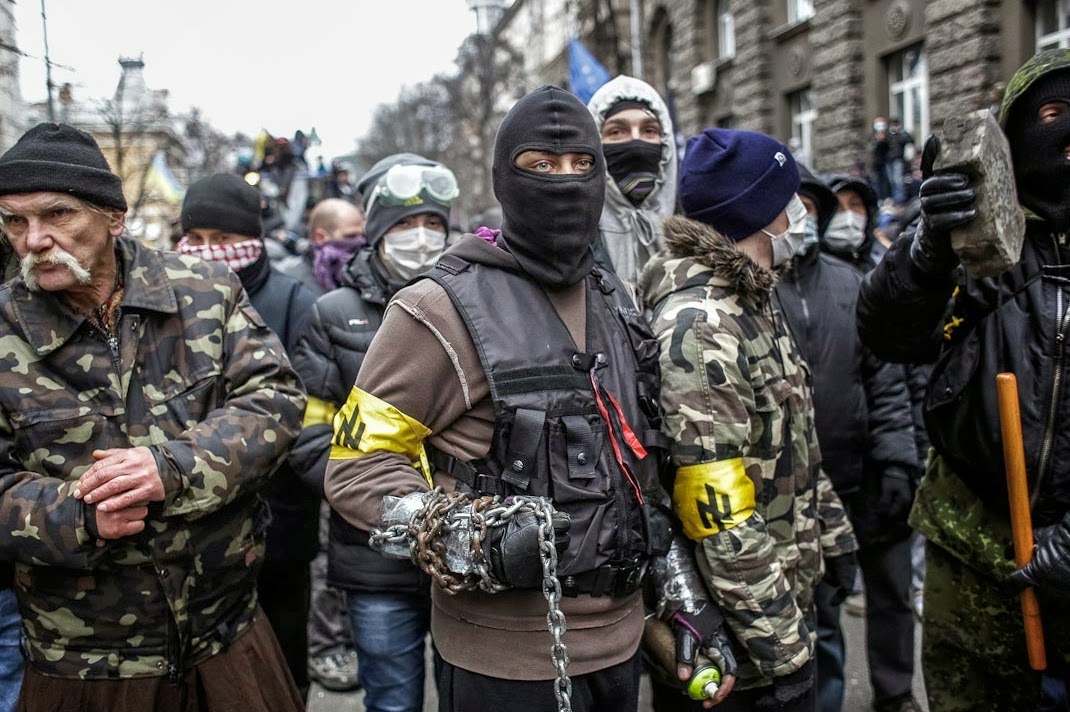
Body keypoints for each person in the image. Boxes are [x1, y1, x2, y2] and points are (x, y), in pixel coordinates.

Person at [324, 86, 698, 711]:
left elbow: (640, 469)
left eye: (581, 164)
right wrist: (473, 538)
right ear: (504, 179)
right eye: (540, 165)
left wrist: (683, 597)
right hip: (501, 661)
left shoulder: (617, 299)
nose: (564, 181)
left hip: (623, 647)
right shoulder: (436, 309)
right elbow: (356, 469)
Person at [0, 122, 306, 711]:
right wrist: (78, 516)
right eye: (14, 220)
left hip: (225, 634)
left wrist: (174, 468)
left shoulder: (205, 291)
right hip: (84, 662)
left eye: (57, 214)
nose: (33, 240)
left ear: (113, 217)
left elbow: (275, 398)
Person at [857, 48, 1070, 710]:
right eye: (1053, 114)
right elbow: (888, 336)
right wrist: (925, 253)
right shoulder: (982, 241)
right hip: (970, 545)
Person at [640, 128, 858, 711]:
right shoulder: (702, 329)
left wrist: (835, 539)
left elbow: (795, 446)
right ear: (758, 214)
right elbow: (718, 514)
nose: (800, 215)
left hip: (780, 599)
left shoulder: (751, 299)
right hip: (735, 649)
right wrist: (784, 651)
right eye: (791, 202)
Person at [292, 152, 458, 709]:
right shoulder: (332, 313)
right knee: (391, 700)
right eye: (406, 222)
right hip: (373, 552)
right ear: (380, 229)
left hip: (466, 548)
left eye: (432, 222)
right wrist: (378, 495)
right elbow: (308, 432)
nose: (421, 236)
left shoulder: (477, 302)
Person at [776, 167, 921, 712]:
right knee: (822, 607)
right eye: (791, 208)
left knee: (893, 593)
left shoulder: (851, 283)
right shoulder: (761, 289)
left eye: (812, 209)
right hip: (806, 487)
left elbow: (885, 380)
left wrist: (897, 459)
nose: (801, 219)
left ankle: (896, 692)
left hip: (868, 474)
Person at [175, 173, 319, 699]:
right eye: (196, 238)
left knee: (282, 654)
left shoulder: (295, 301)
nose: (208, 250)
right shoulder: (168, 300)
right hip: (191, 523)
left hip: (279, 521)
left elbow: (306, 407)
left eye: (223, 238)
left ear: (252, 238)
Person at [586, 75, 678, 296]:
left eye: (649, 131)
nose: (636, 144)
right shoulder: (573, 242)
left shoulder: (697, 236)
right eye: (617, 132)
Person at [277, 198, 365, 296]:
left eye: (362, 235)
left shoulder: (361, 274)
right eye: (350, 236)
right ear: (320, 237)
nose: (360, 241)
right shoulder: (288, 282)